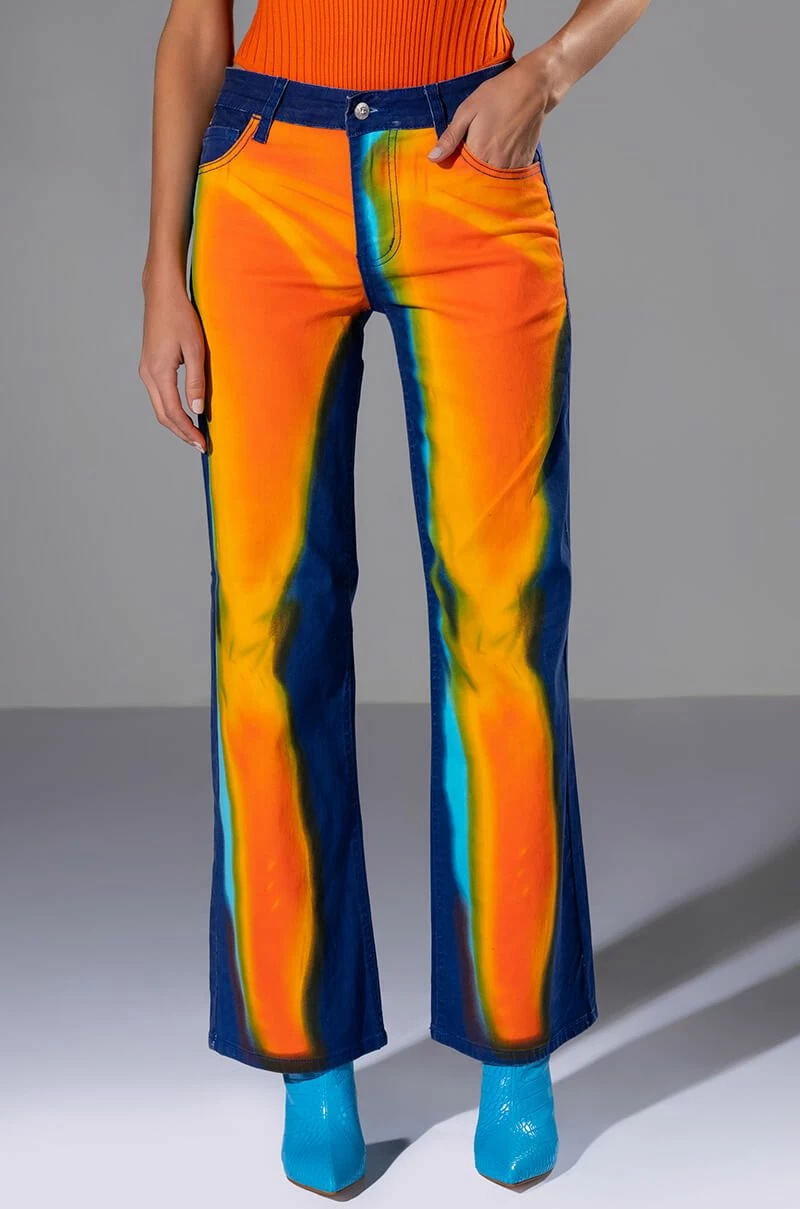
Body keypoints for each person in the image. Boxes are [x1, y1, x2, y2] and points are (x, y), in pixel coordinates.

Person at [139, 0, 650, 1194]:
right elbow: (194, 26)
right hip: (263, 185)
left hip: (467, 167)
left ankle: (514, 1046)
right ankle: (306, 1057)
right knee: (266, 631)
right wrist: (162, 265)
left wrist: (549, 73)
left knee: (501, 624)